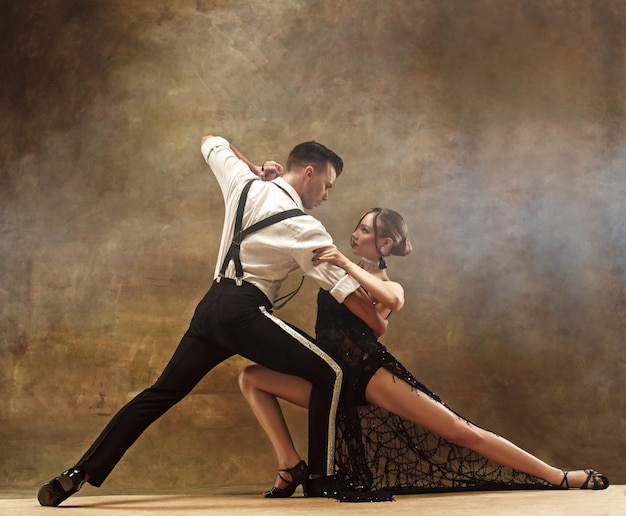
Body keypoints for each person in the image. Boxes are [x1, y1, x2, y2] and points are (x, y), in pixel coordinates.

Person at [37, 135, 383, 506]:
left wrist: (254, 168)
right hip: (244, 312)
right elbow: (346, 294)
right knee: (331, 373)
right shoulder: (305, 227)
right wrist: (379, 323)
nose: (327, 195)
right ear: (309, 174)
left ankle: (79, 473)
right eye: (327, 185)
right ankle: (319, 478)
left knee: (161, 393)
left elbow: (211, 141)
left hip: (210, 308)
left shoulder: (244, 183)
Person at [238, 207, 610, 500]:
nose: (355, 234)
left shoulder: (384, 282)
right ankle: (291, 465)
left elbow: (392, 303)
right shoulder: (337, 276)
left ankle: (558, 476)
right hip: (328, 380)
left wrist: (345, 263)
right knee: (251, 378)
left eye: (366, 230)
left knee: (461, 432)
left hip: (367, 376)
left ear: (384, 244)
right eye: (359, 227)